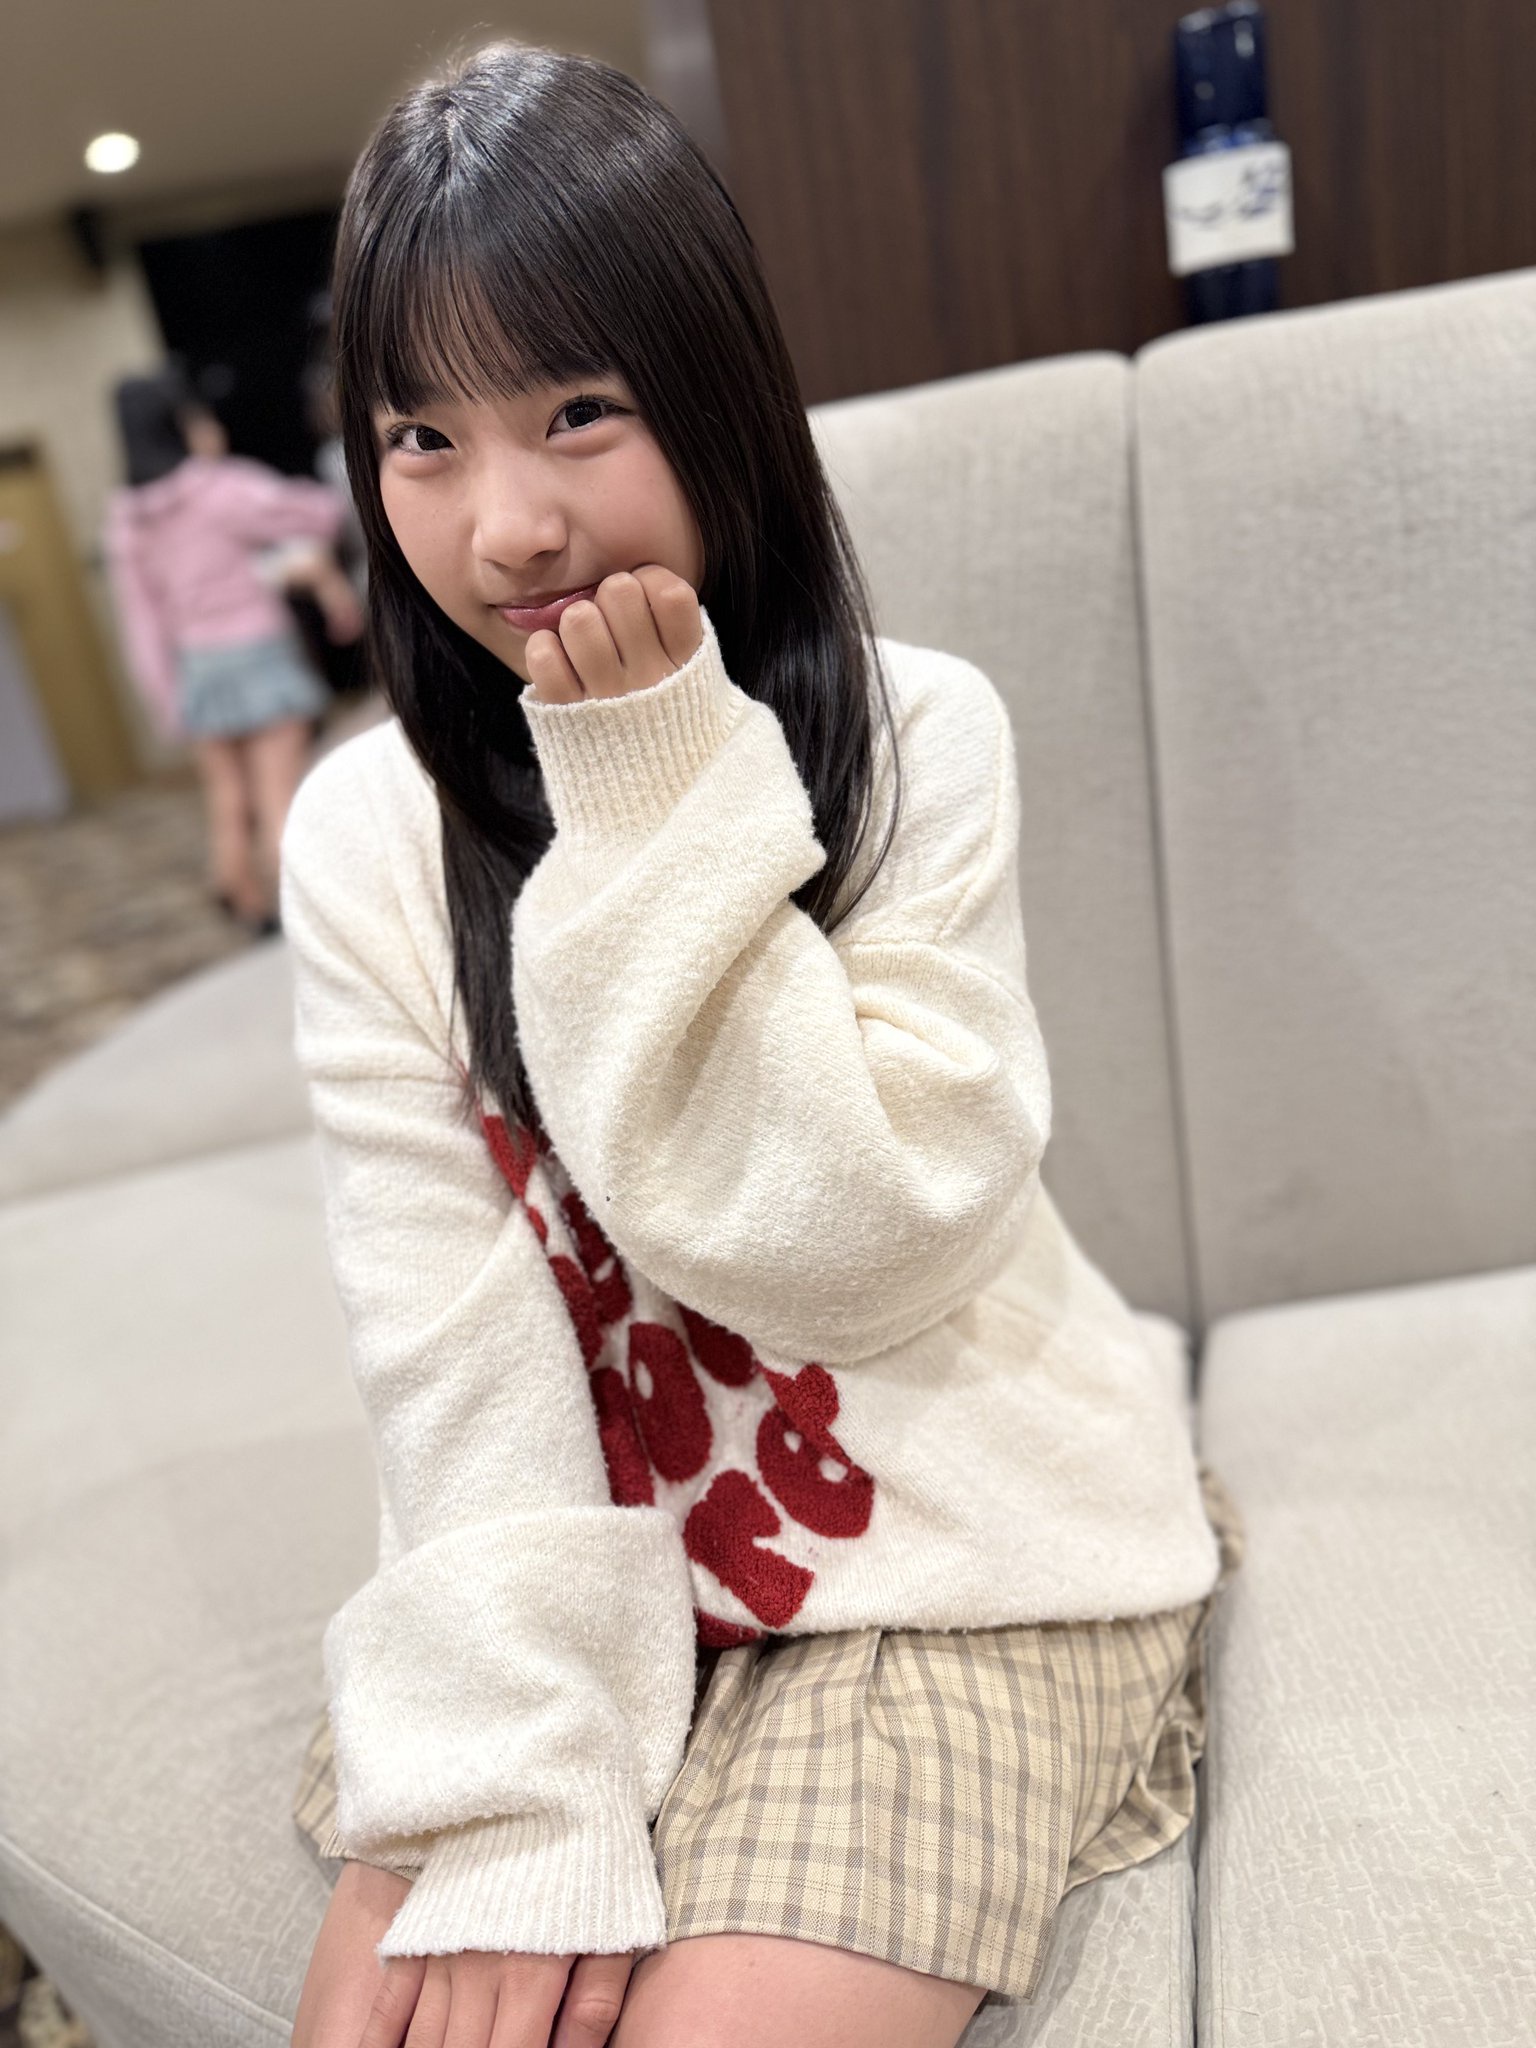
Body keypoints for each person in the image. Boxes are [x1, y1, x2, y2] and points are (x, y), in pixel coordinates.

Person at [280, 39, 1245, 2048]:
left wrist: (654, 790)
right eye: (421, 437)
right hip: (581, 1546)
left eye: (577, 409)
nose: (509, 524)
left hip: (955, 1529)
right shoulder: (365, 834)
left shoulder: (917, 735)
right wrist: (521, 1787)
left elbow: (865, 1243)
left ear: (715, 397)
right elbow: (447, 1345)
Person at [103, 368, 359, 933]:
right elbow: (318, 511)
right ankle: (311, 917)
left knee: (226, 795)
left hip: (198, 667)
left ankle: (238, 891)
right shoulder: (220, 488)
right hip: (257, 653)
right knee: (278, 793)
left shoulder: (127, 520)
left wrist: (165, 699)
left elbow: (141, 621)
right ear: (181, 425)